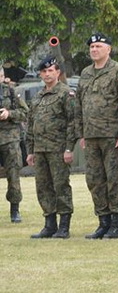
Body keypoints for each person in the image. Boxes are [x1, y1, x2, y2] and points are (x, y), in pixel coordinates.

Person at [75, 33, 118, 239]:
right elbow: (79, 104)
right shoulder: (86, 73)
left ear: (108, 49)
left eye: (98, 46)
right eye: (91, 47)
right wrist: (81, 133)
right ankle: (103, 221)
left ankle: (116, 223)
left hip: (112, 135)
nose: (94, 50)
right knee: (95, 180)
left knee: (115, 179)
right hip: (91, 136)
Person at [25, 56, 75, 238]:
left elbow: (72, 122)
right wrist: (30, 150)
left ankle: (64, 226)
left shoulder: (66, 94)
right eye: (44, 72)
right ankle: (49, 224)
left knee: (61, 186)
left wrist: (69, 148)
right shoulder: (38, 97)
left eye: (50, 71)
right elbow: (31, 125)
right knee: (43, 187)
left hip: (58, 149)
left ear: (58, 72)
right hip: (40, 149)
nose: (47, 74)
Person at [0, 66, 27, 223]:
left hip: (10, 139)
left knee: (13, 175)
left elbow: (25, 112)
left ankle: (15, 210)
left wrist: (9, 114)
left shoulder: (10, 92)